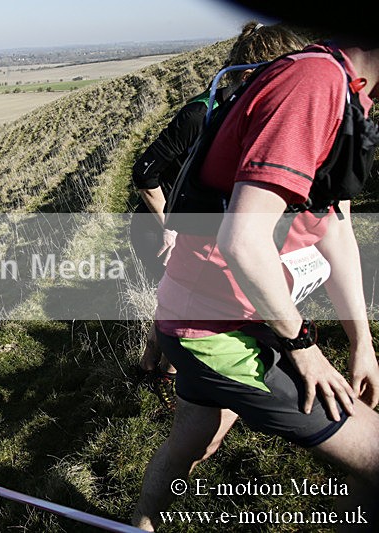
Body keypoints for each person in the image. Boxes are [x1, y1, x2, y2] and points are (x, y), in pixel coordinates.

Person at [131, 37, 379, 531]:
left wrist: (362, 342)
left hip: (227, 312)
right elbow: (243, 240)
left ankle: (139, 524)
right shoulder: (315, 84)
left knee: (198, 435)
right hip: (219, 330)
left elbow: (333, 227)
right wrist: (304, 347)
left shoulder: (348, 90)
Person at [129, 21, 309, 410]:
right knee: (177, 307)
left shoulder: (248, 115)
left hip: (197, 226)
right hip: (162, 225)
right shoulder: (200, 115)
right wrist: (170, 228)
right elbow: (145, 174)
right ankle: (165, 380)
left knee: (185, 306)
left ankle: (163, 374)